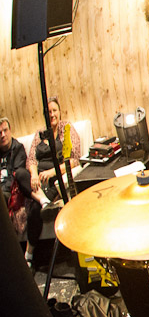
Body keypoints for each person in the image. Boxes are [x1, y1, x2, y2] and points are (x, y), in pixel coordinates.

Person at [25, 97, 81, 265]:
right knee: (20, 174)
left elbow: (74, 159)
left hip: (54, 180)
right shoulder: (40, 133)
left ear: (59, 112)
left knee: (34, 210)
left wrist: (52, 172)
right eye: (48, 112)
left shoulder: (67, 128)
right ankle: (43, 200)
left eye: (54, 110)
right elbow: (31, 159)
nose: (52, 114)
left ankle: (28, 256)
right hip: (38, 182)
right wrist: (34, 175)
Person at [1, 116, 32, 241]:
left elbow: (16, 176)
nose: (3, 135)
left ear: (10, 130)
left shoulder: (18, 148)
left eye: (5, 130)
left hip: (10, 191)